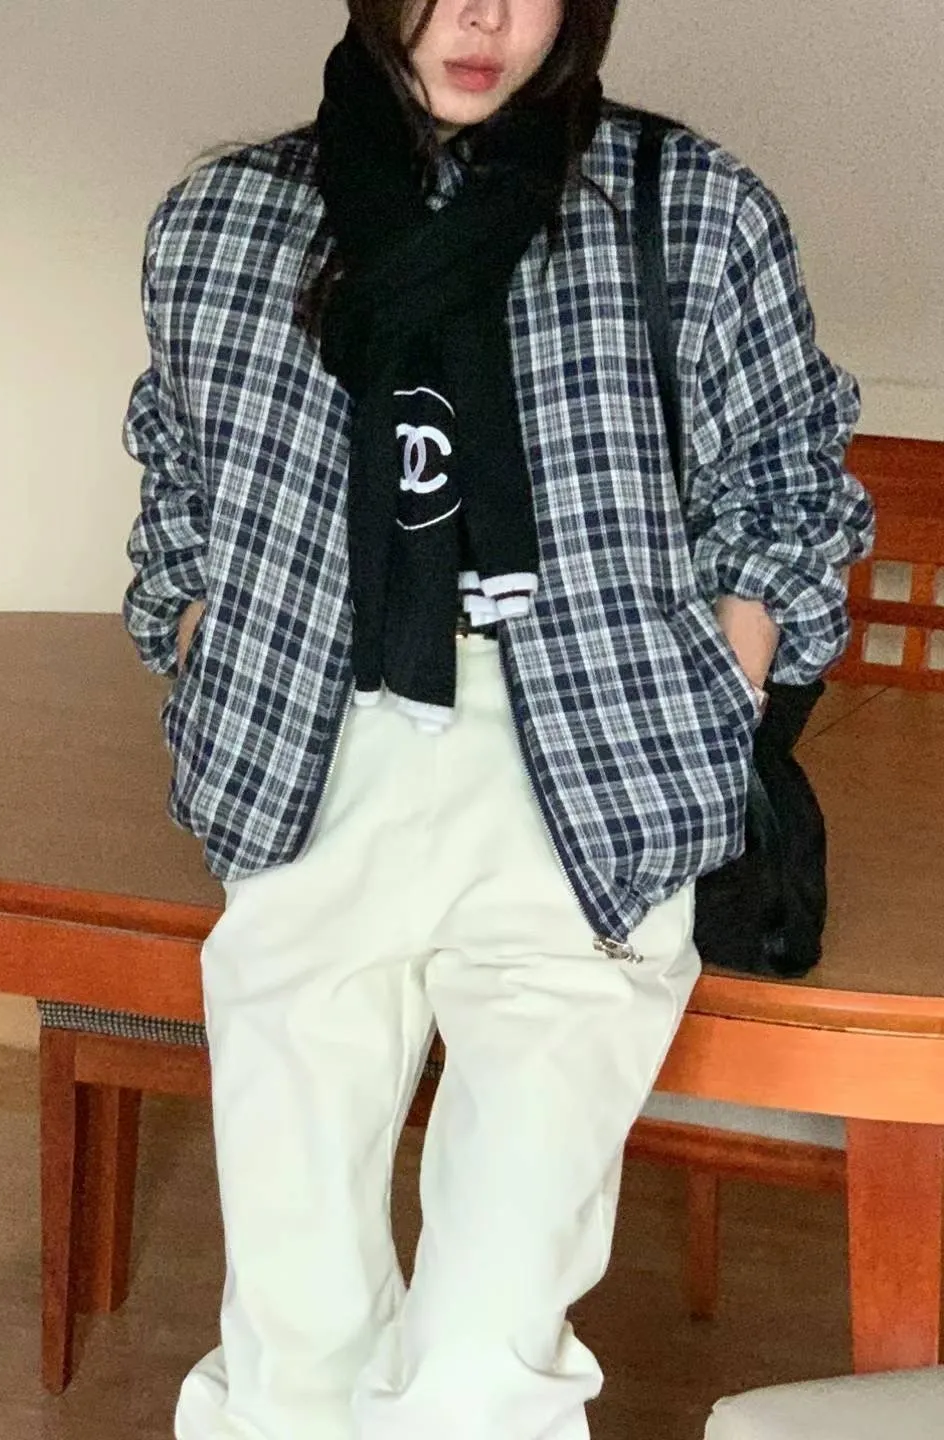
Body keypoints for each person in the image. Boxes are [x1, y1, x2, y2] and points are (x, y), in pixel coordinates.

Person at [122, 3, 874, 1437]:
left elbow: (791, 483)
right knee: (293, 1328)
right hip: (311, 763)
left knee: (487, 1353)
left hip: (584, 782)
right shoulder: (225, 222)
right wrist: (206, 637)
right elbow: (181, 482)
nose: (483, 16)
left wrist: (721, 676)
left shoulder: (687, 207)